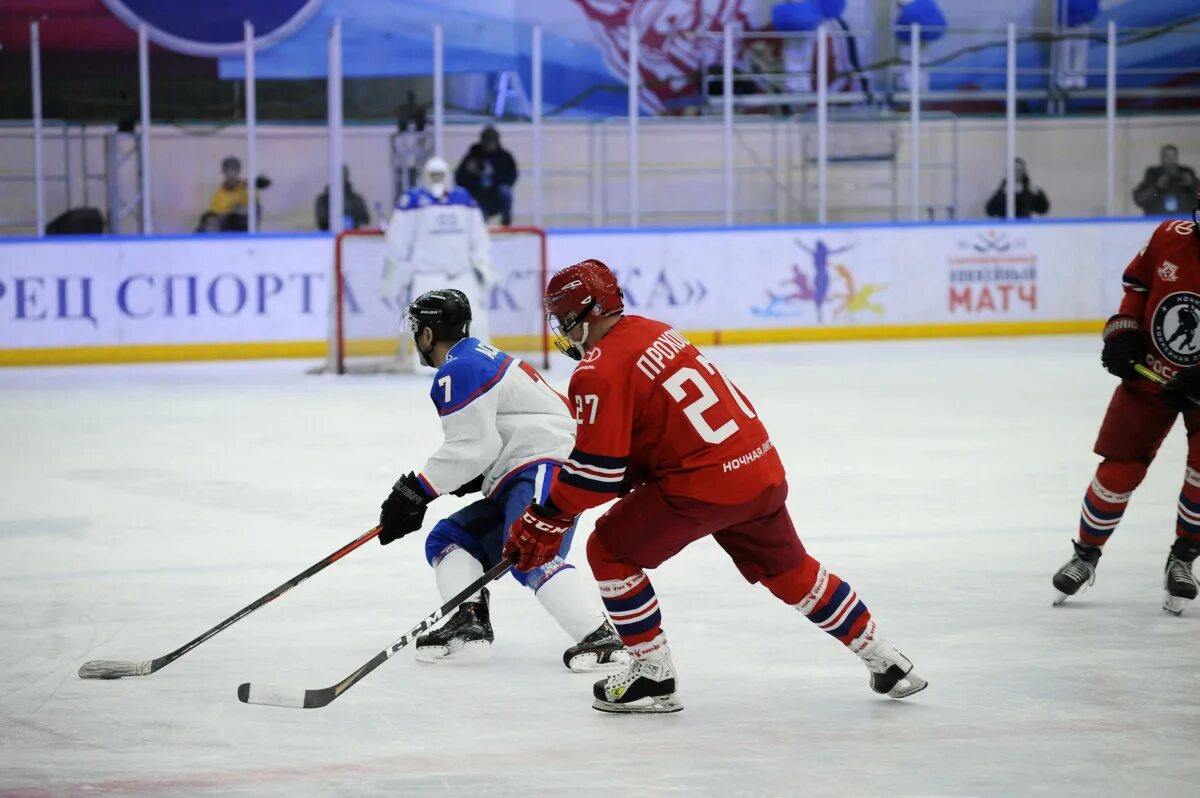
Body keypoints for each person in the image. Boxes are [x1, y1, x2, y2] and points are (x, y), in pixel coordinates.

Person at [503, 259, 927, 713]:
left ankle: (652, 676)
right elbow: (656, 429)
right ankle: (887, 661)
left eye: (558, 317)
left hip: (703, 481)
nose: (558, 329)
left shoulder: (596, 371)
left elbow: (597, 472)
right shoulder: (654, 330)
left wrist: (546, 516)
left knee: (608, 550)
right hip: (757, 467)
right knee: (789, 569)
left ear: (578, 311)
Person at [376, 288, 627, 670]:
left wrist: (415, 491)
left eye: (417, 330)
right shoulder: (476, 356)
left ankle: (601, 637)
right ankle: (468, 625)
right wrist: (476, 476)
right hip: (523, 470)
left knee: (533, 550)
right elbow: (497, 435)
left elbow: (472, 445)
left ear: (427, 335)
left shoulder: (459, 368)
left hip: (542, 467)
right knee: (450, 539)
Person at [1052, 190, 1200, 615]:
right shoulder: (1170, 235)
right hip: (1150, 376)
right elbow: (1137, 286)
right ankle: (1085, 555)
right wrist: (1124, 333)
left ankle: (1184, 559)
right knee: (1118, 469)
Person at [384, 157, 495, 362]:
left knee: (476, 321)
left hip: (462, 273)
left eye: (440, 175)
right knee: (424, 325)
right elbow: (397, 240)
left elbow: (479, 237)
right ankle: (426, 363)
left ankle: (481, 360)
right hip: (427, 274)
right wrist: (396, 271)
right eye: (433, 175)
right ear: (425, 176)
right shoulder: (412, 201)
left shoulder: (463, 199)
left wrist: (484, 265)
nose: (437, 179)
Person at [454, 126, 518, 226]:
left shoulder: (505, 157)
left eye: (492, 142)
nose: (490, 145)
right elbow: (459, 177)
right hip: (478, 196)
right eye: (487, 142)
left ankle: (506, 219)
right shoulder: (471, 157)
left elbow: (512, 175)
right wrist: (471, 173)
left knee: (506, 191)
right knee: (479, 215)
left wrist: (498, 178)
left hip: (496, 194)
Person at [1133, 145, 1199, 217]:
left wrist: (1192, 185)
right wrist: (1156, 188)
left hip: (1183, 222)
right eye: (1166, 157)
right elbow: (1139, 199)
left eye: (1173, 157)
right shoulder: (1153, 174)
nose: (1170, 160)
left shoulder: (1186, 173)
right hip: (1156, 222)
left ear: (1177, 158)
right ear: (1161, 158)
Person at [208, 156, 270, 232]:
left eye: (234, 169)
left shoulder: (248, 188)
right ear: (223, 172)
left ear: (239, 171)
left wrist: (244, 210)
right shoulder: (218, 195)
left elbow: (255, 211)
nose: (231, 173)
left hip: (246, 231)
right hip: (226, 233)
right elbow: (215, 217)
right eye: (228, 170)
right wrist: (231, 211)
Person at [985, 158, 1050, 218]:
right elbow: (990, 211)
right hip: (1005, 225)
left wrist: (1039, 194)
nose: (1016, 173)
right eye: (1014, 170)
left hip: (1025, 226)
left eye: (1019, 170)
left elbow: (1043, 209)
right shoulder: (1003, 190)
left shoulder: (1029, 190)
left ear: (1023, 172)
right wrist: (1002, 194)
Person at [315, 165, 371, 231]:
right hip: (329, 239)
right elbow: (322, 221)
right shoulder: (323, 200)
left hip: (354, 238)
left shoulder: (357, 200)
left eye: (342, 174)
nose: (339, 178)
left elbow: (365, 219)